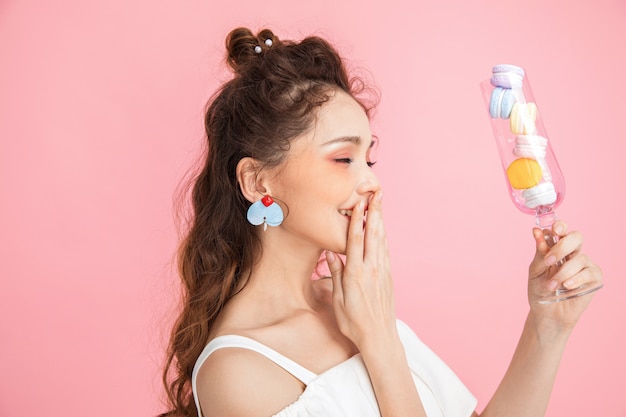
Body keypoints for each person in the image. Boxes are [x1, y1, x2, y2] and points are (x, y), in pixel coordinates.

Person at [159, 27, 603, 417]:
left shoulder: (352, 301)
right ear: (257, 181)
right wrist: (381, 346)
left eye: (369, 158)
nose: (372, 182)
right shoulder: (238, 374)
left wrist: (549, 325)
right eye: (343, 158)